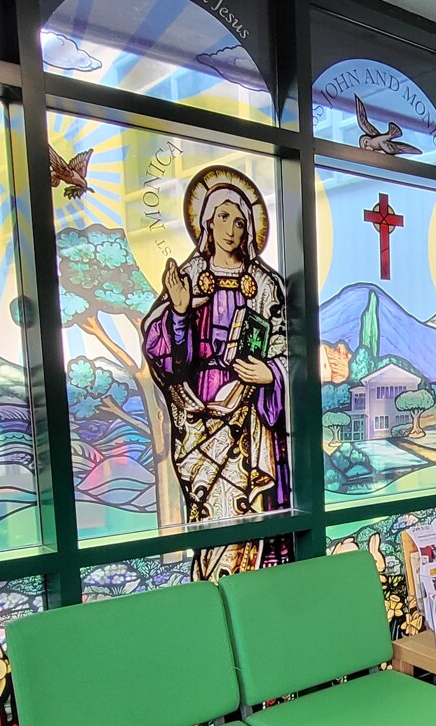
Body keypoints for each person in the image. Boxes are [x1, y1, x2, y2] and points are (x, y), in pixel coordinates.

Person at [142, 165, 291, 579]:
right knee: (210, 512)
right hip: (197, 414)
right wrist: (179, 311)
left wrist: (271, 374)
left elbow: (287, 349)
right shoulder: (188, 277)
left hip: (250, 413)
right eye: (223, 217)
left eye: (240, 222)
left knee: (250, 511)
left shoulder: (265, 284)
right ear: (207, 222)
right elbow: (162, 352)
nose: (231, 229)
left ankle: (252, 593)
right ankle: (213, 593)